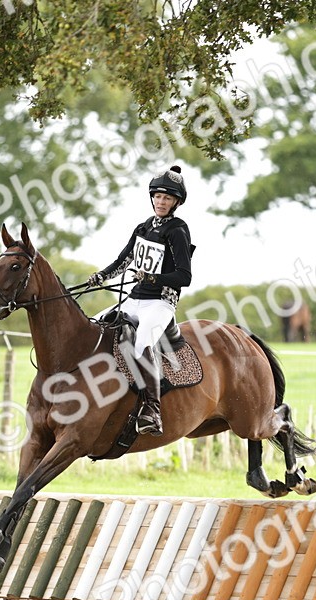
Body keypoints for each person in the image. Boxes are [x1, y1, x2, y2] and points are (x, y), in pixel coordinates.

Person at [86, 165, 194, 436]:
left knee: (142, 339)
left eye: (167, 198)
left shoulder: (178, 230)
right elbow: (123, 262)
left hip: (160, 303)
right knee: (97, 324)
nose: (161, 201)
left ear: (176, 202)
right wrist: (102, 276)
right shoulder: (143, 227)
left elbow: (184, 276)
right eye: (157, 197)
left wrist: (152, 278)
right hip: (135, 299)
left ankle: (152, 410)